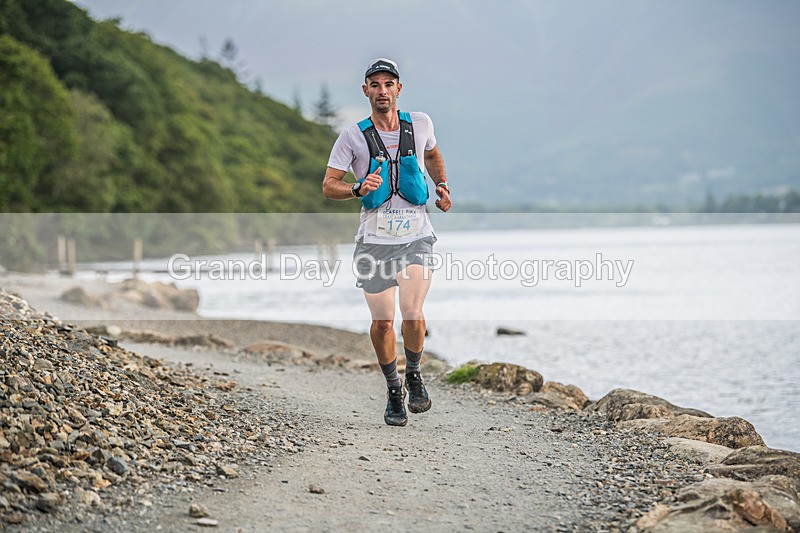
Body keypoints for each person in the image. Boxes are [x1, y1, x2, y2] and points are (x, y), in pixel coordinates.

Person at [322, 58, 451, 426]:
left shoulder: (420, 123)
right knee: (382, 323)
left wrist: (442, 185)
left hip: (416, 236)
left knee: (412, 312)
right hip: (374, 241)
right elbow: (329, 185)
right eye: (375, 85)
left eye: (388, 84)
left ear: (399, 88)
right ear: (366, 91)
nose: (382, 91)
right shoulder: (352, 136)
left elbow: (432, 154)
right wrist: (356, 188)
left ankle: (414, 373)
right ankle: (394, 389)